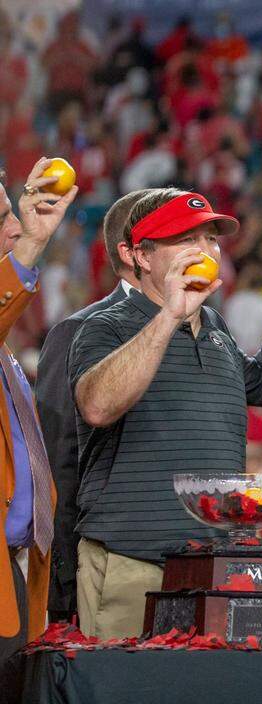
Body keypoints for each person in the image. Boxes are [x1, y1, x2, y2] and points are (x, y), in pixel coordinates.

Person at [69, 190, 262, 639]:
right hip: (133, 565)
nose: (204, 251)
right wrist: (169, 315)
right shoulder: (104, 325)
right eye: (185, 239)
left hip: (215, 569)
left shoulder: (216, 327)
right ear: (139, 254)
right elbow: (97, 406)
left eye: (210, 239)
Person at [35, 188, 152, 624]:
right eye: (183, 236)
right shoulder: (79, 331)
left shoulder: (207, 326)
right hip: (102, 566)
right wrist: (63, 575)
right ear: (136, 251)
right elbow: (56, 458)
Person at [0, 160, 78, 696]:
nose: (12, 227)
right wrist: (29, 245)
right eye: (1, 217)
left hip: (18, 568)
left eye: (13, 216)